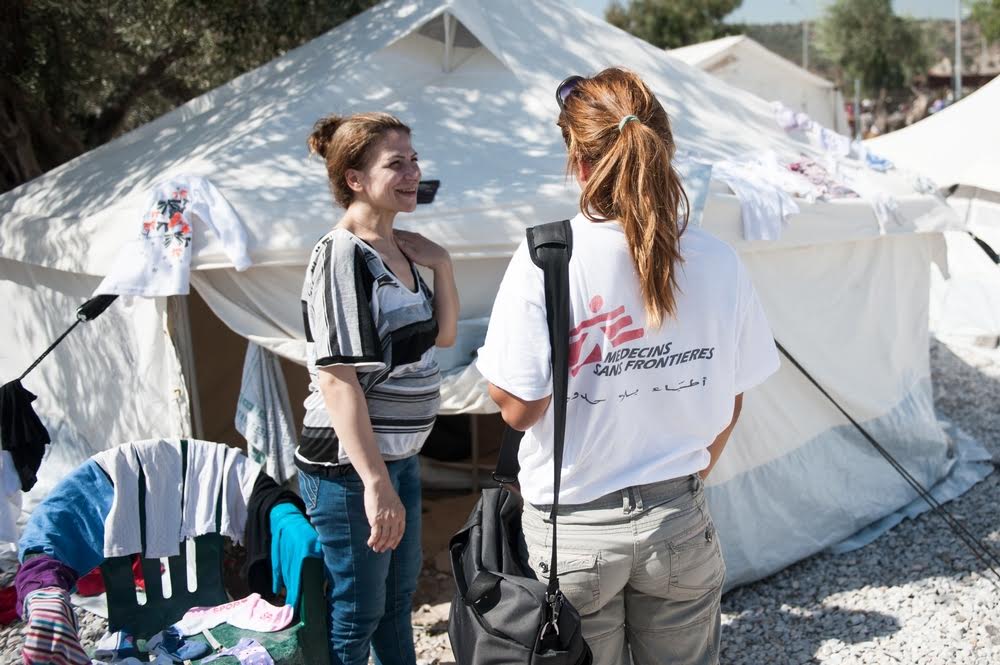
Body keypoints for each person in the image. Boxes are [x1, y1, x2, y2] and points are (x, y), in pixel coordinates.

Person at [476, 68, 779, 665]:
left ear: (579, 162)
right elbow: (735, 392)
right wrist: (684, 478)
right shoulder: (717, 259)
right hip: (678, 517)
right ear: (661, 149)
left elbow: (518, 408)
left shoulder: (547, 254)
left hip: (574, 530)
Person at [298, 111, 459, 665]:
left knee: (395, 602)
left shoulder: (401, 249)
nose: (413, 172)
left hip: (399, 459)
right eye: (396, 163)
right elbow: (338, 378)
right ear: (355, 179)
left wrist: (442, 264)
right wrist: (374, 483)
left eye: (414, 160)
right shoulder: (342, 255)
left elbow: (443, 334)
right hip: (351, 469)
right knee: (358, 610)